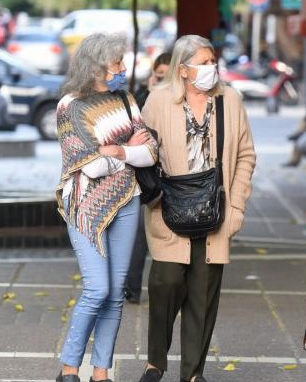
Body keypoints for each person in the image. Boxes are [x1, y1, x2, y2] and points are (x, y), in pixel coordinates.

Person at [139, 35, 257, 382]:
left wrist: (236, 207)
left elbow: (246, 154)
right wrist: (152, 194)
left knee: (203, 294)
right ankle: (155, 362)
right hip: (169, 206)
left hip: (216, 209)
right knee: (166, 282)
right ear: (184, 69)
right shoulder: (159, 101)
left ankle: (192, 372)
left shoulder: (229, 99)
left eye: (212, 60)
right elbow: (142, 154)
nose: (211, 68)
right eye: (203, 62)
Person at [54, 32, 158, 382]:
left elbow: (150, 153)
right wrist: (127, 150)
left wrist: (117, 151)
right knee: (97, 289)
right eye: (116, 63)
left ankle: (101, 372)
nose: (123, 68)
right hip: (84, 206)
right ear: (96, 65)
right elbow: (90, 166)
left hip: (127, 202)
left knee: (115, 294)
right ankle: (69, 368)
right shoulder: (70, 106)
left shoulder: (127, 100)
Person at [125, 51, 173, 305]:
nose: (162, 81)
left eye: (167, 77)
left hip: (175, 178)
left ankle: (170, 287)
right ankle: (130, 287)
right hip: (148, 178)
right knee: (140, 234)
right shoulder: (140, 100)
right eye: (158, 75)